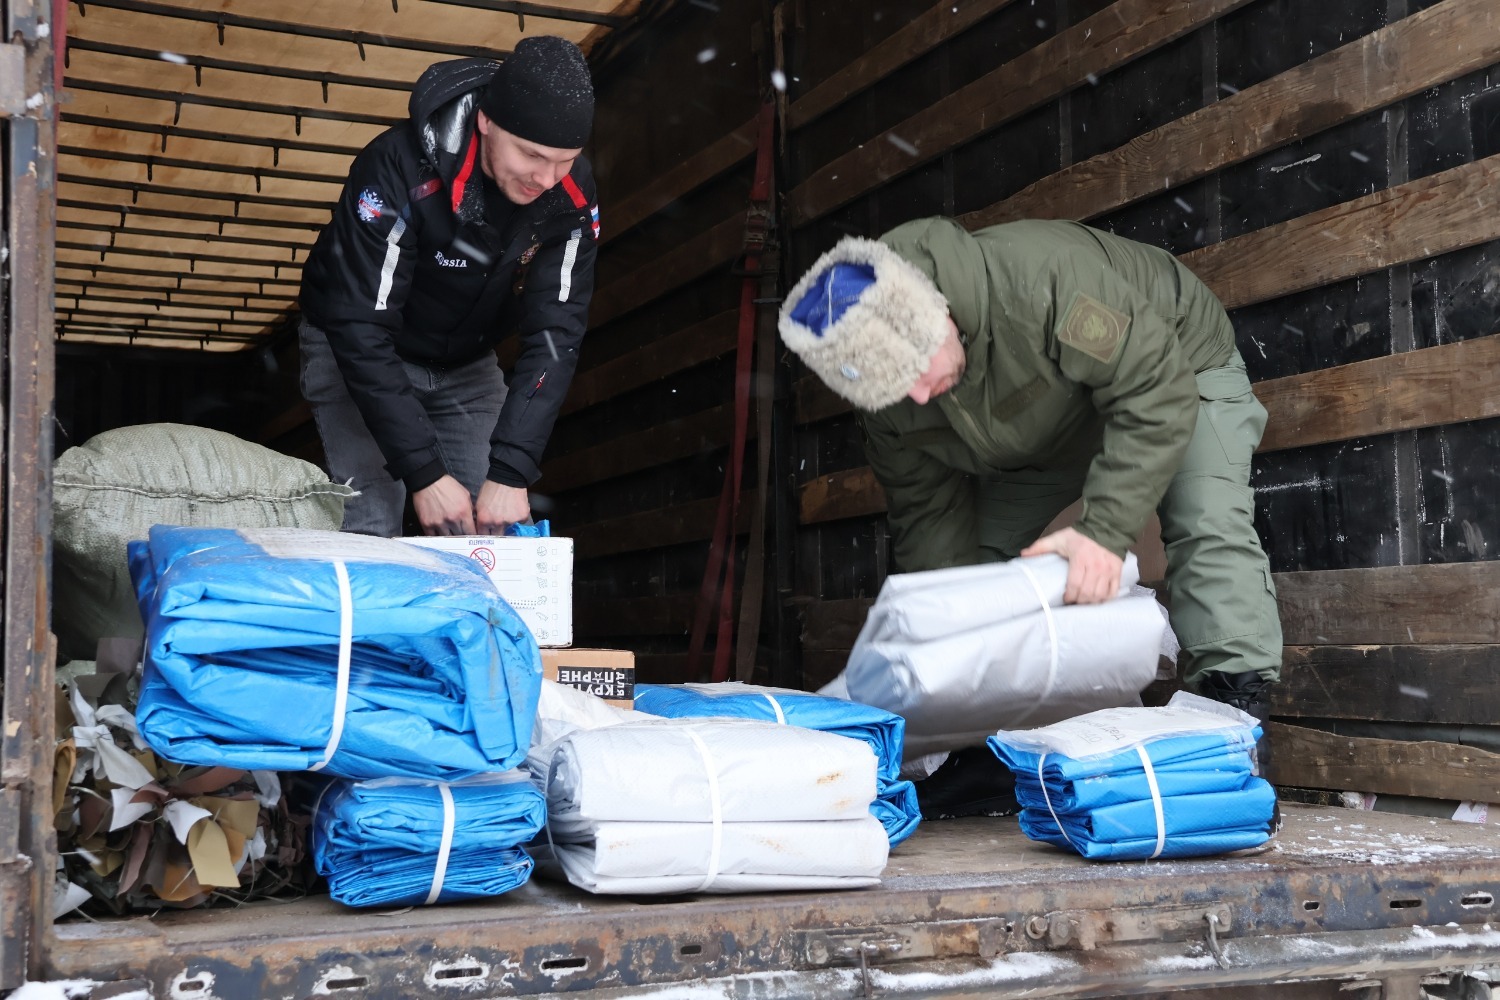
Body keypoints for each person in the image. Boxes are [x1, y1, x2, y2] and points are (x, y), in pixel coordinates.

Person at [778, 216, 1282, 718]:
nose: (918, 394)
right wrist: (945, 653)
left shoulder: (1043, 283)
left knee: (1204, 517)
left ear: (936, 313)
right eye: (893, 385)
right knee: (973, 589)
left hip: (1176, 369)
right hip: (1052, 429)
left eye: (914, 367)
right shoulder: (893, 405)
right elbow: (928, 517)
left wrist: (1104, 532)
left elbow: (1154, 387)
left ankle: (1236, 705)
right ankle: (981, 734)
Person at [298, 36, 600, 537]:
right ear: (486, 121)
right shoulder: (396, 168)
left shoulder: (570, 192)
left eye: (565, 159)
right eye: (532, 155)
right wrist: (424, 473)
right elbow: (360, 325)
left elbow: (557, 331)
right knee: (373, 522)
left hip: (465, 362)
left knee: (503, 531)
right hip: (356, 346)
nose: (547, 178)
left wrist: (512, 470)